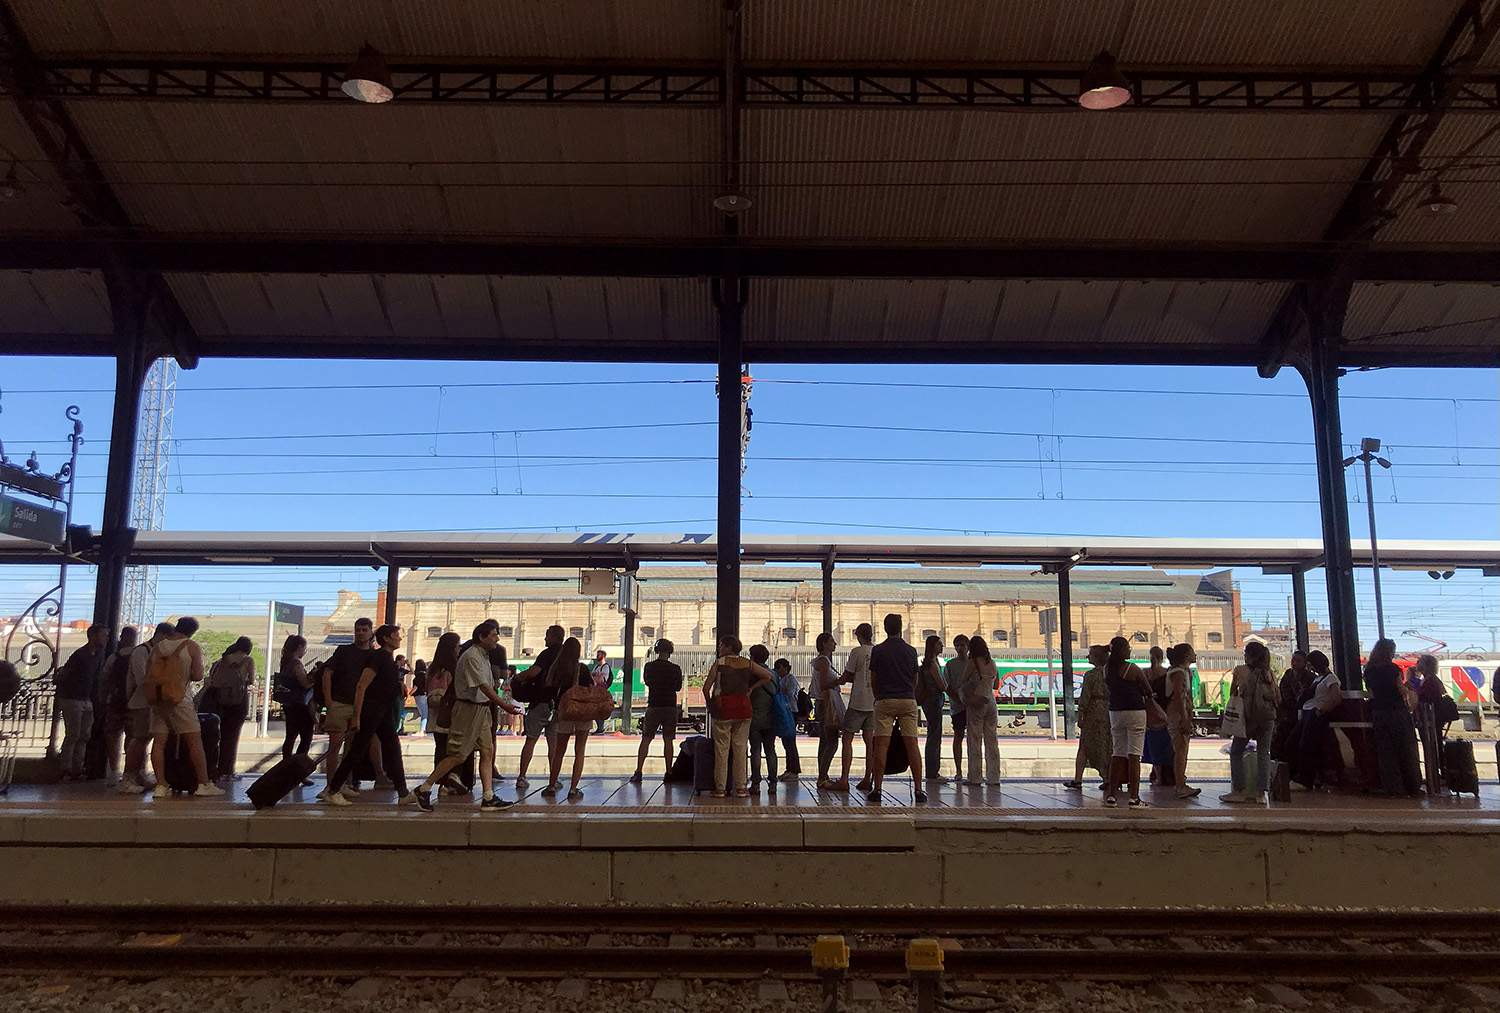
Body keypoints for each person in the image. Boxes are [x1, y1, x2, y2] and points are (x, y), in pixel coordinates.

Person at [414, 621, 521, 811]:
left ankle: (488, 796)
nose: (497, 638)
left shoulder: (483, 656)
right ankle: (425, 788)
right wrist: (504, 704)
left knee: (487, 751)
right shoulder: (472, 657)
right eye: (494, 634)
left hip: (481, 709)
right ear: (481, 637)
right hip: (468, 710)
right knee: (458, 755)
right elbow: (484, 686)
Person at [324, 624, 422, 807]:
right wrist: (357, 716)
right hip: (371, 712)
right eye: (396, 635)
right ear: (386, 638)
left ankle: (402, 792)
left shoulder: (388, 659)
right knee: (357, 751)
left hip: (381, 712)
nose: (399, 638)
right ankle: (333, 789)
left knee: (392, 748)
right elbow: (362, 685)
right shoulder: (378, 658)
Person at [146, 617, 222, 798]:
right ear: (192, 631)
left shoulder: (158, 646)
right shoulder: (191, 646)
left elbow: (149, 672)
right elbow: (197, 675)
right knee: (194, 741)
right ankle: (203, 783)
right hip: (179, 698)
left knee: (159, 743)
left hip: (158, 699)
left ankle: (161, 785)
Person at [701, 635, 773, 798]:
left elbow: (706, 688)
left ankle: (720, 788)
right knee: (740, 749)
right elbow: (767, 676)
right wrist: (751, 689)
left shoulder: (719, 664)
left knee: (721, 749)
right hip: (743, 709)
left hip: (723, 709)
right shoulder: (747, 663)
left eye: (721, 645)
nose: (719, 648)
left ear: (728, 647)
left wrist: (710, 704)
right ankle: (740, 788)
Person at [1101, 636, 1165, 808]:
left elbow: (1110, 689)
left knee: (1117, 753)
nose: (1130, 650)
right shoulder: (1132, 668)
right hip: (1135, 712)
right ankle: (1134, 797)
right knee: (1134, 755)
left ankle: (1111, 796)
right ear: (1123, 650)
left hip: (1115, 713)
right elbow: (1148, 690)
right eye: (1128, 647)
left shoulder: (1106, 669)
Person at [866, 614, 924, 803]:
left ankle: (878, 788)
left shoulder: (878, 650)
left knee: (881, 746)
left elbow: (873, 679)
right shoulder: (911, 651)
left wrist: (878, 697)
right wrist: (908, 692)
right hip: (907, 700)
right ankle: (918, 789)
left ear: (885, 628)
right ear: (900, 628)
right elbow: (915, 678)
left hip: (885, 701)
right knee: (912, 745)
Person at [316, 617, 374, 802]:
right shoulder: (344, 651)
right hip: (340, 703)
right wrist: (329, 700)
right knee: (334, 747)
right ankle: (330, 786)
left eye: (364, 629)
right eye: (358, 629)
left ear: (371, 632)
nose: (361, 632)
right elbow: (327, 673)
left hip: (360, 706)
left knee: (351, 749)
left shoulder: (373, 655)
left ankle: (342, 783)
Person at [1220, 641, 1278, 804]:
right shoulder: (1269, 673)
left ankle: (1239, 791)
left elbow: (1233, 694)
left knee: (1236, 752)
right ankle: (1261, 794)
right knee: (1263, 753)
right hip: (1268, 718)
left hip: (1249, 718)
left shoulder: (1240, 670)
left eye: (1245, 653)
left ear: (1249, 656)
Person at [1364, 638, 1422, 797]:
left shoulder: (1369, 670)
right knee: (1406, 749)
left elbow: (1371, 692)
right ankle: (1412, 786)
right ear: (1389, 652)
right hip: (1397, 712)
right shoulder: (1392, 669)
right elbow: (1401, 690)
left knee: (1386, 753)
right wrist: (1408, 689)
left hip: (1378, 712)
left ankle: (1393, 788)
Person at [120, 622, 173, 794]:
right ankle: (128, 777)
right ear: (162, 635)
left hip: (153, 703)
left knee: (144, 740)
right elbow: (143, 678)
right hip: (143, 703)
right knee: (139, 739)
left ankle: (139, 774)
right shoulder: (142, 651)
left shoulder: (155, 652)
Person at [544, 636, 595, 800]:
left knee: (559, 751)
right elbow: (590, 689)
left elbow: (550, 688)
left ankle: (551, 786)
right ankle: (573, 789)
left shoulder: (557, 668)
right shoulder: (582, 669)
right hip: (582, 713)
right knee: (579, 751)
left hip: (564, 713)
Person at [55, 623, 107, 781]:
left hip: (84, 699)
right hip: (73, 698)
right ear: (93, 636)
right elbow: (67, 674)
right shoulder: (81, 655)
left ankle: (76, 768)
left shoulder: (96, 654)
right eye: (103, 634)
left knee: (83, 735)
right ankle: (67, 768)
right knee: (74, 734)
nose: (106, 638)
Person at [515, 625, 564, 790]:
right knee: (554, 744)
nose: (545, 639)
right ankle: (553, 779)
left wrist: (518, 678)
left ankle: (522, 777)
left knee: (531, 740)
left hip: (540, 702)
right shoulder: (567, 655)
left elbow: (534, 672)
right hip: (558, 705)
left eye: (547, 636)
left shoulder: (547, 654)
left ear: (554, 637)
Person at [423, 633, 472, 795]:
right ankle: (450, 780)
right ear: (451, 648)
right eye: (457, 646)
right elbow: (438, 694)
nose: (459, 649)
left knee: (442, 749)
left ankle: (444, 782)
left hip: (439, 718)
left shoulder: (434, 668)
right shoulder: (449, 669)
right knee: (454, 750)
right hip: (450, 717)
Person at [632, 639, 683, 784]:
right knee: (668, 741)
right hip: (670, 706)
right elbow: (678, 687)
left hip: (654, 705)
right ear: (670, 652)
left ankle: (639, 772)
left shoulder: (649, 666)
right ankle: (668, 772)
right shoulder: (676, 668)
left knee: (646, 739)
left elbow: (648, 682)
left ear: (657, 650)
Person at [833, 623, 876, 793]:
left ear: (858, 636)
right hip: (874, 703)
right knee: (870, 742)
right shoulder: (878, 651)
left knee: (847, 740)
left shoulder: (856, 652)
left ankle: (844, 779)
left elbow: (847, 676)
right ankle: (868, 778)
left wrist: (834, 682)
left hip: (858, 701)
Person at [206, 636, 255, 783]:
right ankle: (228, 771)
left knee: (218, 736)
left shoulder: (222, 660)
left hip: (220, 702)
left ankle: (216, 770)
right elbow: (251, 680)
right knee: (232, 738)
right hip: (238, 702)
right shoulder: (247, 660)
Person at [1063, 645, 1111, 790]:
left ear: (1096, 657)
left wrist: (1081, 714)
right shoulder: (1111, 673)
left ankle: (1078, 780)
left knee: (1084, 746)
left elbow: (1085, 697)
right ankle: (1108, 778)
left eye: (1090, 654)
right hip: (1108, 712)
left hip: (1093, 713)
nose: (1088, 657)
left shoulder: (1090, 675)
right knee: (1107, 746)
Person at [958, 634, 1002, 790]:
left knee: (974, 740)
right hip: (991, 703)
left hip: (977, 703)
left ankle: (975, 777)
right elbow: (996, 685)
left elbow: (962, 680)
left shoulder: (973, 662)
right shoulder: (992, 663)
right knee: (992, 741)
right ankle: (994, 777)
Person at [1292, 650, 1341, 790]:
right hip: (1310, 713)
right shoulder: (1319, 678)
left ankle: (1305, 779)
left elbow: (1336, 698)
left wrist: (1320, 711)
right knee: (1301, 743)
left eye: (1311, 664)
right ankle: (1306, 777)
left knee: (1306, 745)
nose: (1309, 668)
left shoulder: (1330, 678)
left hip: (1314, 714)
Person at [99, 626, 139, 787]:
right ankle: (130, 772)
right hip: (134, 702)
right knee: (133, 737)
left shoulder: (113, 657)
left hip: (115, 701)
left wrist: (103, 698)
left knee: (113, 736)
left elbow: (104, 678)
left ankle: (114, 771)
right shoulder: (140, 655)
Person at [1164, 643, 1201, 799]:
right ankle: (1180, 786)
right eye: (1193, 652)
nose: (1195, 655)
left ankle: (1181, 782)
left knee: (1182, 750)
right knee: (1181, 750)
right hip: (1178, 715)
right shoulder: (1178, 673)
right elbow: (1179, 696)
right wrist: (1185, 718)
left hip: (1178, 714)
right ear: (1186, 655)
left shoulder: (1182, 671)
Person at [809, 633, 844, 788]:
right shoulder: (823, 661)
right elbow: (824, 684)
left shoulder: (824, 661)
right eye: (831, 641)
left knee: (825, 741)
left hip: (822, 703)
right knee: (832, 742)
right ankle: (822, 777)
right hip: (826, 704)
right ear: (824, 644)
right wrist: (840, 680)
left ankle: (823, 776)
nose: (835, 644)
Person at [277, 635, 314, 776]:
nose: (305, 651)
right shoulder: (296, 663)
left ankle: (285, 767)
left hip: (289, 704)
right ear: (299, 648)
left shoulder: (285, 662)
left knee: (290, 737)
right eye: (304, 648)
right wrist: (314, 678)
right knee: (306, 738)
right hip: (300, 705)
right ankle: (298, 772)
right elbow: (304, 683)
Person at [1141, 646, 1175, 787]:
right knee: (1167, 747)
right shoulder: (1167, 673)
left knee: (1152, 747)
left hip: (1149, 714)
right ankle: (1169, 777)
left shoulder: (1145, 673)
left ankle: (1157, 776)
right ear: (1163, 658)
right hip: (1165, 713)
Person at [1270, 651, 1311, 766]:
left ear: (1305, 663)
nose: (1294, 663)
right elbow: (1283, 693)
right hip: (1287, 713)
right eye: (1293, 660)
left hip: (1302, 713)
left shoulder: (1310, 677)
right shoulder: (1288, 675)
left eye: (1298, 661)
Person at [916, 635, 947, 782]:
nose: (942, 646)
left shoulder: (927, 663)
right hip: (934, 700)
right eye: (939, 644)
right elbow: (941, 685)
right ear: (933, 646)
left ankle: (931, 771)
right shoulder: (932, 664)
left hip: (929, 701)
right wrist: (948, 686)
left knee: (932, 735)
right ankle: (933, 772)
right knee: (935, 736)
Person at [748, 655, 781, 794]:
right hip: (771, 717)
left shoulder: (751, 673)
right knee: (770, 750)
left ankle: (755, 784)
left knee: (755, 750)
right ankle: (773, 784)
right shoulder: (774, 674)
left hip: (754, 717)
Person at [943, 634, 969, 782]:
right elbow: (946, 685)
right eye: (957, 645)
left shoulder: (973, 663)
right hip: (958, 707)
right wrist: (958, 699)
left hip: (970, 706)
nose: (959, 648)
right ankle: (958, 771)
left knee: (972, 738)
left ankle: (972, 770)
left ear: (967, 647)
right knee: (958, 736)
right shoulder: (950, 665)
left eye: (962, 645)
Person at [774, 658, 802, 783]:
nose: (778, 670)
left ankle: (794, 770)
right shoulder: (782, 679)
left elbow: (790, 694)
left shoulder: (790, 679)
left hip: (790, 712)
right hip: (785, 712)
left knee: (790, 742)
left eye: (779, 667)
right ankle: (789, 769)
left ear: (785, 668)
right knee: (786, 742)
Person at [589, 649, 614, 734]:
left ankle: (600, 728)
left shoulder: (605, 667)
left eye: (599, 655)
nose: (597, 657)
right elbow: (592, 677)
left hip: (601, 692)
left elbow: (601, 680)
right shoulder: (597, 667)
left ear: (603, 656)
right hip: (595, 691)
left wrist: (595, 676)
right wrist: (596, 676)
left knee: (599, 709)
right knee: (594, 709)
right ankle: (599, 727)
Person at [411, 659, 429, 733]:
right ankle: (423, 729)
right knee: (424, 712)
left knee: (423, 713)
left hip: (418, 695)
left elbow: (416, 687)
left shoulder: (419, 676)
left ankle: (422, 730)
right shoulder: (425, 675)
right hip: (423, 695)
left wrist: (410, 693)